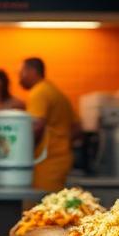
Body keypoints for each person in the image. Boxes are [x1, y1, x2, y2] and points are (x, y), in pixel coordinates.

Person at [19, 57, 75, 191]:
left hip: (47, 160)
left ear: (32, 71)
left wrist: (19, 152)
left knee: (44, 205)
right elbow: (77, 128)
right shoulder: (56, 91)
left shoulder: (39, 92)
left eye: (21, 73)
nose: (19, 78)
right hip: (61, 158)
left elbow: (36, 126)